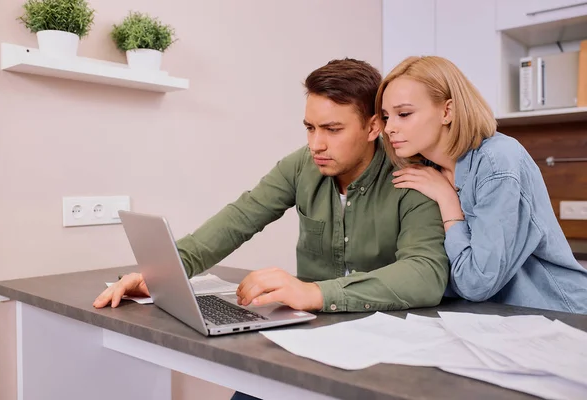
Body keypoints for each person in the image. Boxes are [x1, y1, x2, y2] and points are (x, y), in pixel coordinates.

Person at [94, 57, 450, 400]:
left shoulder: (412, 174)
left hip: (388, 347)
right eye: (310, 128)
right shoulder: (302, 166)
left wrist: (315, 293)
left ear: (374, 127)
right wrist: (161, 272)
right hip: (312, 336)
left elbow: (425, 273)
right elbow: (239, 218)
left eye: (332, 129)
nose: (316, 144)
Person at [377, 55, 587, 314]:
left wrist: (448, 201)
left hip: (559, 315)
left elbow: (476, 283)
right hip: (491, 317)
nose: (389, 128)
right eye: (387, 117)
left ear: (447, 111)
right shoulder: (426, 170)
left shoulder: (498, 161)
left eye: (404, 114)